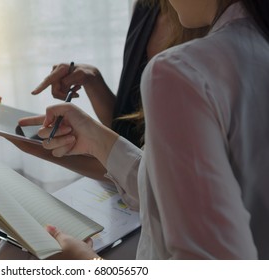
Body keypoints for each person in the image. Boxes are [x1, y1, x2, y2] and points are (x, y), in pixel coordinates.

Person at [30, 0, 269, 259]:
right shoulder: (251, 47)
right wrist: (94, 137)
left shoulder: (182, 71)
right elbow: (182, 191)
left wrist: (89, 264)